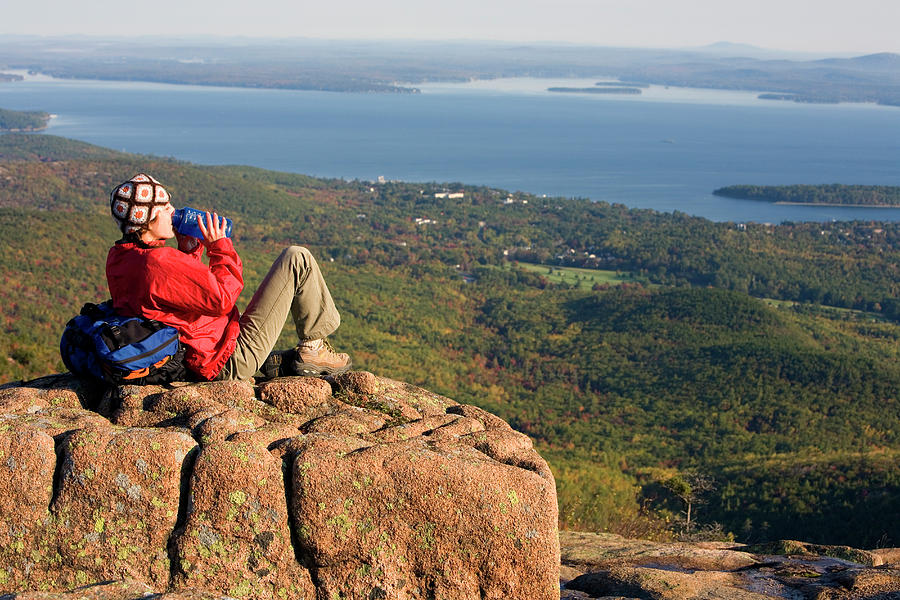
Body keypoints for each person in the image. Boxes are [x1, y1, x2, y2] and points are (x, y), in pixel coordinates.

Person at [105, 173, 351, 381]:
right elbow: (222, 298)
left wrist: (189, 251)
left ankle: (272, 360)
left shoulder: (120, 256)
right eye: (165, 207)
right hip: (224, 359)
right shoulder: (158, 261)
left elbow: (172, 296)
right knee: (297, 259)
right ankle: (313, 348)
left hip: (198, 353)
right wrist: (220, 247)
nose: (172, 210)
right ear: (146, 220)